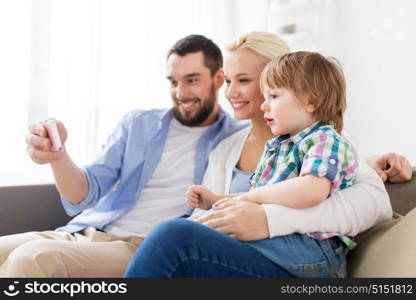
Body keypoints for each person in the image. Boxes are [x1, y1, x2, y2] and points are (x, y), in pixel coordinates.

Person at [124, 32, 412, 278]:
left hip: (300, 257)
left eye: (246, 81)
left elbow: (362, 199)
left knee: (172, 237)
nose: (232, 92)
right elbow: (216, 220)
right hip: (252, 254)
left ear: (304, 93)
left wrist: (265, 218)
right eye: (228, 81)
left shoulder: (324, 140)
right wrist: (216, 202)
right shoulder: (236, 148)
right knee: (170, 234)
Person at [0, 34, 247, 277]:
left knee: (33, 258)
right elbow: (81, 195)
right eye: (173, 82)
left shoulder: (237, 137)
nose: (180, 93)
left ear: (218, 79)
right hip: (88, 231)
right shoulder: (138, 123)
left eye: (192, 80)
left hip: (143, 246)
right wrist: (58, 156)